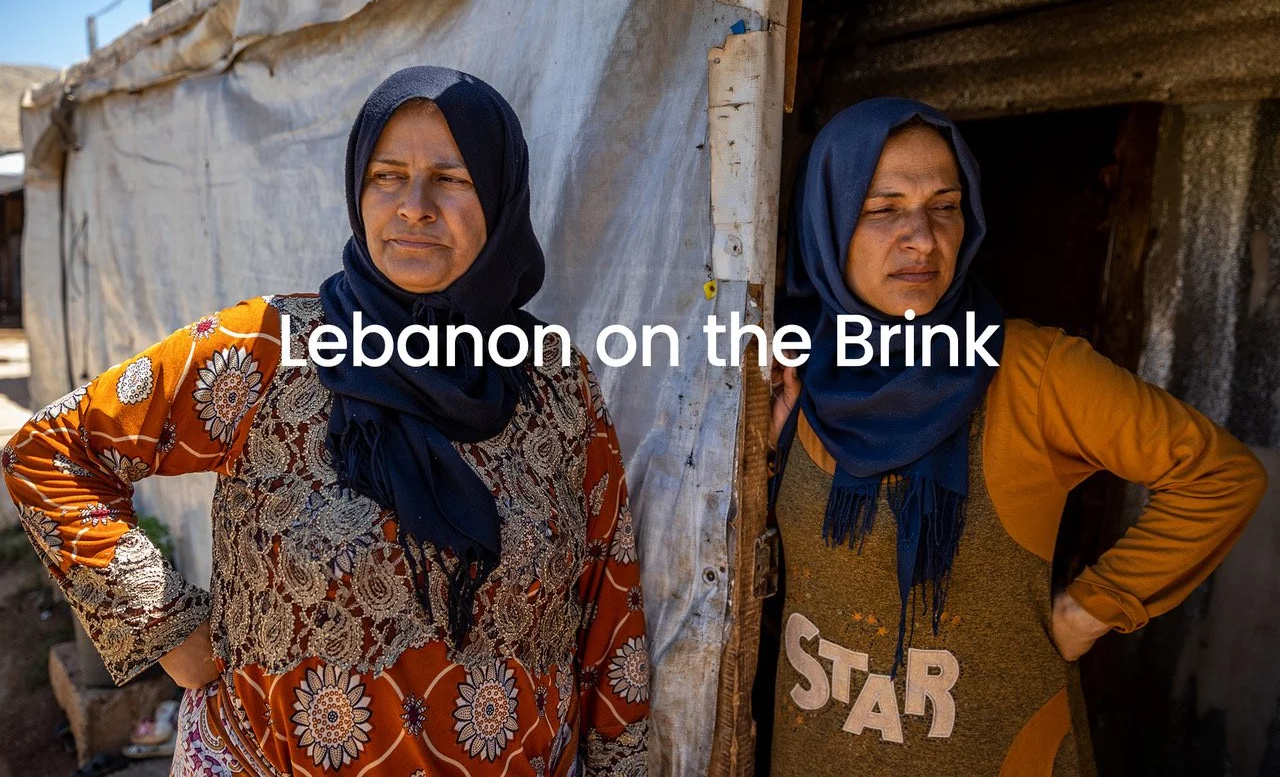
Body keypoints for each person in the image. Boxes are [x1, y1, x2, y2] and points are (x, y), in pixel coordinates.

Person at [4, 67, 649, 776]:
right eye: (387, 176)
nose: (414, 206)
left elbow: (606, 607)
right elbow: (52, 451)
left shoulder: (556, 383)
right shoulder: (265, 350)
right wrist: (167, 625)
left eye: (452, 177)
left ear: (501, 193)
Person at [766, 97, 1266, 775]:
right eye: (882, 209)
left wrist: (1091, 608)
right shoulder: (794, 368)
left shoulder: (1034, 372)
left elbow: (1220, 475)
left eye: (945, 205)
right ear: (826, 221)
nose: (921, 235)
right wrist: (764, 456)